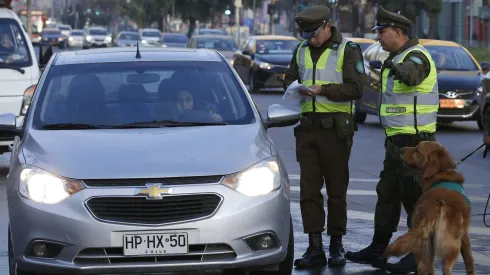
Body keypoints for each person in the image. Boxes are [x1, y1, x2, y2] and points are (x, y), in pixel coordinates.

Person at [344, 6, 439, 274]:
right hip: (396, 144)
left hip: (416, 145)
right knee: (387, 195)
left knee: (416, 201)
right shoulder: (399, 56)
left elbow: (411, 74)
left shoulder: (416, 56)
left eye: (382, 32)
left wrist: (394, 66)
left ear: (397, 32)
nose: (379, 38)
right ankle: (378, 251)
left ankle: (421, 255)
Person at [283, 5, 364, 268]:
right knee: (309, 191)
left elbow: (356, 88)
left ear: (327, 26)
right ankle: (314, 246)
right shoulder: (302, 49)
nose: (311, 40)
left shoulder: (347, 50)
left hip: (335, 131)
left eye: (314, 34)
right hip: (307, 129)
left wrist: (322, 90)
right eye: (306, 35)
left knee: (336, 191)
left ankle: (336, 245)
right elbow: (290, 78)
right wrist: (295, 88)